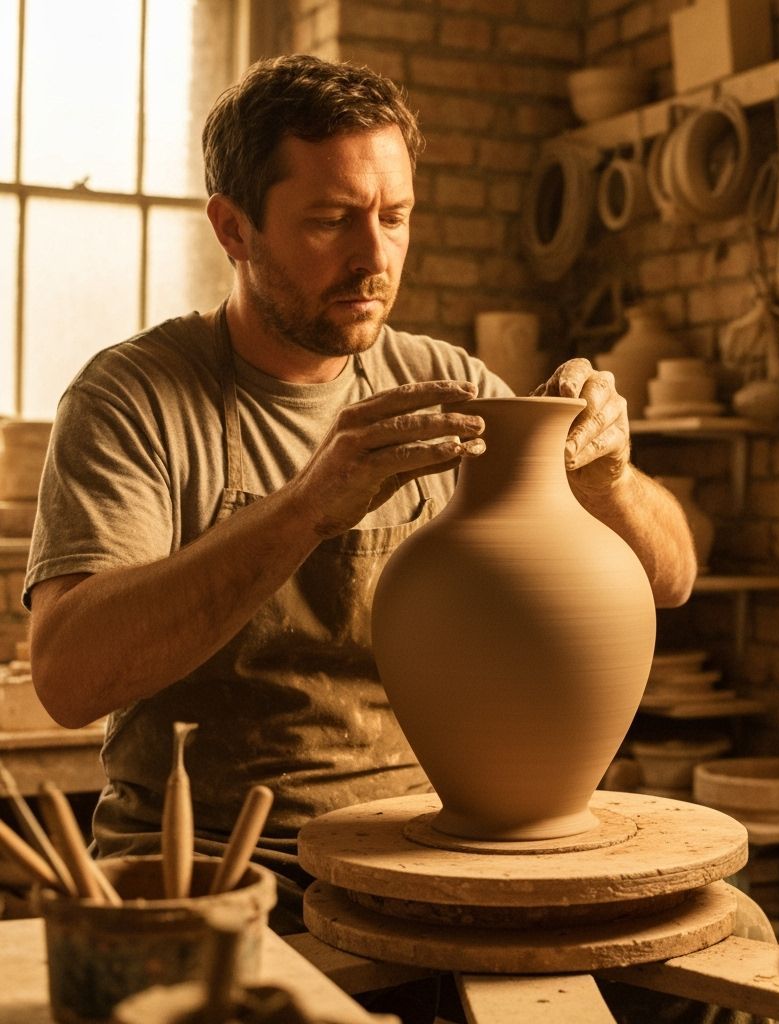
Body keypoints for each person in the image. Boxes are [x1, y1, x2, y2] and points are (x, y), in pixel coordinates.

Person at [24, 55, 697, 932]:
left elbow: (672, 577)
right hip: (221, 856)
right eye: (332, 221)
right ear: (232, 229)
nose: (373, 256)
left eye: (395, 217)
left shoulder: (443, 380)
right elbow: (69, 680)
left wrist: (610, 481)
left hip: (429, 841)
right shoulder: (132, 397)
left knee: (716, 944)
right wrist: (306, 508)